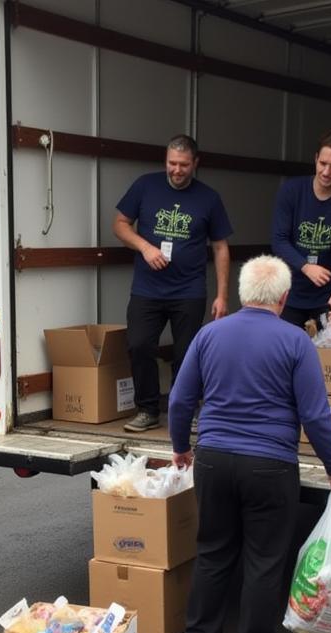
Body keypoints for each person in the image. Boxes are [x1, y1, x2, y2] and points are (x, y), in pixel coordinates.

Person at [168, 255, 331, 633]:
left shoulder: (209, 335)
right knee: (264, 559)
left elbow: (180, 400)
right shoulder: (295, 342)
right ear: (284, 298)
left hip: (212, 460)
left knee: (212, 551)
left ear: (240, 294)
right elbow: (316, 414)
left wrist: (181, 446)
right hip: (269, 465)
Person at [113, 133, 233, 433]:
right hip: (147, 289)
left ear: (195, 163)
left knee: (187, 354)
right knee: (139, 345)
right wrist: (145, 247)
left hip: (189, 290)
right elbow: (119, 224)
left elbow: (220, 247)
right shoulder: (145, 185)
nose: (176, 170)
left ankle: (188, 412)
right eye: (171, 163)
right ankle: (148, 409)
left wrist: (222, 296)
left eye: (183, 165)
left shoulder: (209, 197)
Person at [271, 128, 331, 328]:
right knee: (285, 355)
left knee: (325, 356)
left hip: (326, 296)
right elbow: (278, 240)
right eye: (323, 163)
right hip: (288, 292)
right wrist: (306, 266)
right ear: (315, 158)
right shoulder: (291, 190)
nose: (326, 172)